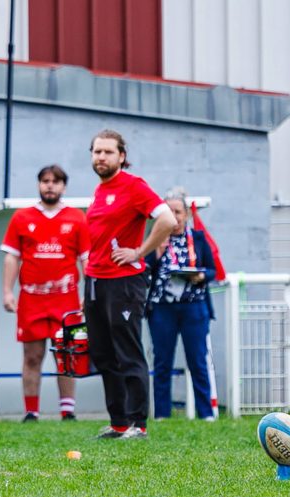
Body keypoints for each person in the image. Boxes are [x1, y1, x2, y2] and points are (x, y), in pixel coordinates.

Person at [84, 129, 177, 439]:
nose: (101, 157)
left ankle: (138, 424)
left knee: (128, 352)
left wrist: (139, 252)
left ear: (121, 156)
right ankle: (119, 422)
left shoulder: (134, 186)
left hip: (123, 283)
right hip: (96, 281)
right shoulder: (100, 190)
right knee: (103, 354)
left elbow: (167, 220)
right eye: (97, 152)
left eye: (108, 152)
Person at [1, 165, 89, 422]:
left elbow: (87, 259)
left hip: (66, 299)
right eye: (45, 181)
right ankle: (31, 411)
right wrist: (7, 292)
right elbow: (11, 257)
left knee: (66, 354)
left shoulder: (76, 218)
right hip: (32, 299)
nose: (50, 185)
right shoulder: (22, 217)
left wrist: (89, 293)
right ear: (39, 184)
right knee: (32, 355)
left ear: (64, 186)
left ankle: (68, 410)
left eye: (56, 181)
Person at [146, 187, 217, 421]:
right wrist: (157, 252)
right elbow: (145, 272)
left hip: (193, 307)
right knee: (162, 361)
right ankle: (162, 414)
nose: (174, 217)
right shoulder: (155, 238)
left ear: (186, 214)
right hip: (162, 308)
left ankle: (206, 413)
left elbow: (212, 269)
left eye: (178, 212)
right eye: (168, 212)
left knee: (197, 360)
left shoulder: (197, 238)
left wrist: (200, 276)